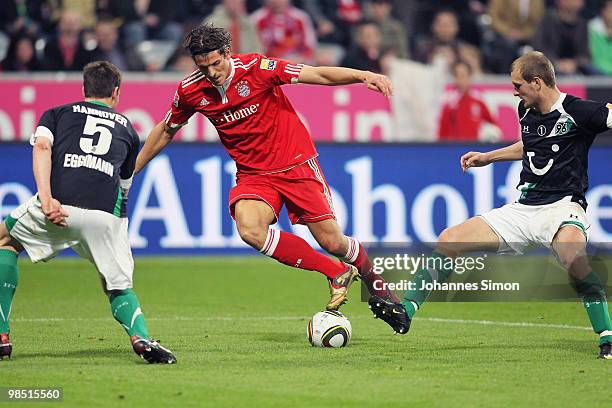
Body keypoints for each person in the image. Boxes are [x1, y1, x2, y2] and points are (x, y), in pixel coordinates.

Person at [134, 23, 399, 311]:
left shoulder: (257, 68)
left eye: (215, 63)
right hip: (254, 176)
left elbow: (317, 73)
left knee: (334, 242)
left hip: (295, 163)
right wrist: (132, 168)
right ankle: (335, 272)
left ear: (227, 53)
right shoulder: (190, 90)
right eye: (203, 67)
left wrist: (363, 75)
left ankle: (376, 284)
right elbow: (166, 129)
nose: (211, 73)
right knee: (249, 229)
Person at [369, 51, 612, 359]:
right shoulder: (526, 109)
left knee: (574, 261)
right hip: (522, 210)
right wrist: (488, 157)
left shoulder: (579, 110)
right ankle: (405, 311)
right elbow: (530, 145)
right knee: (449, 239)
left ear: (537, 83)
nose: (514, 91)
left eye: (518, 85)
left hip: (563, 208)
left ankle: (607, 337)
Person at [0, 61, 176, 364]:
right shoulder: (128, 130)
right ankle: (141, 336)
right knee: (117, 285)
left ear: (83, 90)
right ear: (116, 92)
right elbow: (123, 190)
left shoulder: (56, 114)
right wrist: (116, 233)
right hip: (105, 217)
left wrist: (46, 199)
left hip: (57, 205)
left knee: (5, 241)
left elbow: (42, 148)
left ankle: (1, 335)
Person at [438, 60, 500, 142]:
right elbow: (442, 131)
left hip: (472, 149)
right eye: (457, 75)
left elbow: (493, 125)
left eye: (463, 75)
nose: (461, 80)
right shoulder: (447, 102)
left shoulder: (479, 100)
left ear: (470, 77)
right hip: (452, 149)